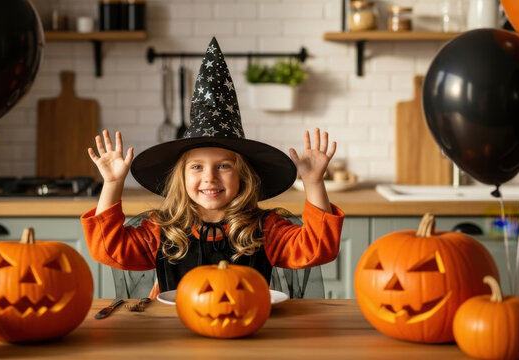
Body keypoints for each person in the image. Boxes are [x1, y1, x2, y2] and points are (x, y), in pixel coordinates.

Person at [81, 37, 344, 296]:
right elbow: (108, 248)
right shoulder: (162, 230)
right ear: (180, 178)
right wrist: (113, 184)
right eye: (196, 167)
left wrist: (313, 182)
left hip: (245, 329)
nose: (210, 177)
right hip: (174, 334)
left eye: (224, 166)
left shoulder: (265, 229)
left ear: (243, 175)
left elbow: (318, 248)